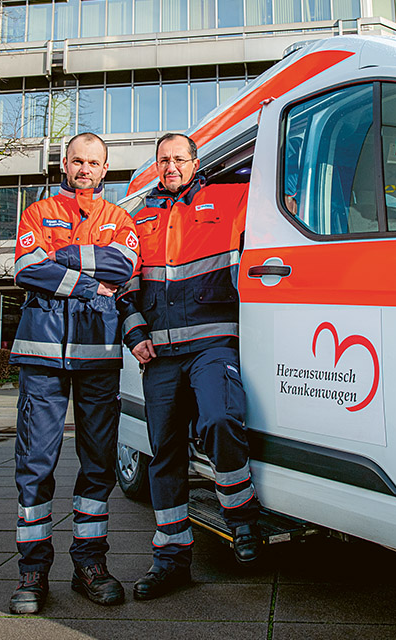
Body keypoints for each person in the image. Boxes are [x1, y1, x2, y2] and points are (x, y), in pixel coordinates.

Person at [119, 133, 262, 601]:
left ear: (195, 162)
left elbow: (287, 205)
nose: (172, 166)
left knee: (222, 420)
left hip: (212, 344)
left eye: (180, 158)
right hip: (159, 354)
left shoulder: (231, 196)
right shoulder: (137, 215)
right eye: (164, 160)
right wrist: (135, 331)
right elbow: (124, 283)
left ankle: (241, 521)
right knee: (165, 452)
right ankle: (171, 557)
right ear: (156, 166)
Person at [8, 133, 140, 614]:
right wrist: (88, 283)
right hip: (42, 357)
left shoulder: (121, 219)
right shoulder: (36, 211)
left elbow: (124, 265)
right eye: (78, 161)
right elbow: (25, 267)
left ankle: (90, 565)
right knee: (35, 465)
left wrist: (61, 256)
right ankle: (32, 572)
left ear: (106, 169)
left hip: (99, 358)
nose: (85, 169)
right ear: (65, 163)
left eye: (94, 163)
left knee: (99, 463)